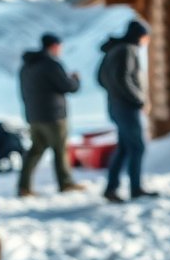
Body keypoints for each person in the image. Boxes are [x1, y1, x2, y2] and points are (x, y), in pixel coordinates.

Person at [17, 33, 84, 196]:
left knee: (35, 151)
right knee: (60, 150)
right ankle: (66, 183)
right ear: (54, 46)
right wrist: (75, 79)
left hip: (33, 115)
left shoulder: (26, 66)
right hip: (54, 115)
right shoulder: (51, 64)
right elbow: (67, 86)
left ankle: (24, 186)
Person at [97, 20, 156, 203]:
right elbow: (122, 79)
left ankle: (112, 187)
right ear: (140, 36)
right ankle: (135, 187)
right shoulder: (127, 50)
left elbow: (101, 78)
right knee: (137, 147)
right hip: (127, 108)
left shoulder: (114, 49)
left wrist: (114, 94)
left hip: (117, 106)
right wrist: (138, 99)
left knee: (124, 148)